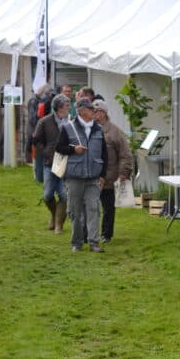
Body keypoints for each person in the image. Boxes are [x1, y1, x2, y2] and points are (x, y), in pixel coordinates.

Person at [55, 97, 108, 252]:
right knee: (75, 211)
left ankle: (94, 243)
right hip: (74, 177)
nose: (95, 112)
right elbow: (59, 148)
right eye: (92, 110)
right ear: (83, 111)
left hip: (93, 177)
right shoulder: (67, 127)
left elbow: (104, 154)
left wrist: (103, 175)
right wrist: (73, 149)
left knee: (94, 209)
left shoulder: (99, 129)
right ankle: (76, 243)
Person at [92, 99, 133, 243]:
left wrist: (123, 173)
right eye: (93, 111)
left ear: (103, 113)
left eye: (96, 111)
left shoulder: (115, 132)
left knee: (108, 208)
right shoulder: (87, 129)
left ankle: (106, 235)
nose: (94, 114)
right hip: (91, 176)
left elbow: (125, 154)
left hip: (109, 177)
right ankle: (90, 234)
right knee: (90, 207)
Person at [33, 94, 71, 234]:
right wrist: (47, 152)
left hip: (66, 163)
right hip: (49, 163)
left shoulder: (71, 121)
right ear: (60, 107)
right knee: (48, 195)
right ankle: (54, 215)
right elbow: (36, 140)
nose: (69, 108)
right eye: (67, 105)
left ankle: (59, 225)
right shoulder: (44, 121)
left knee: (64, 195)